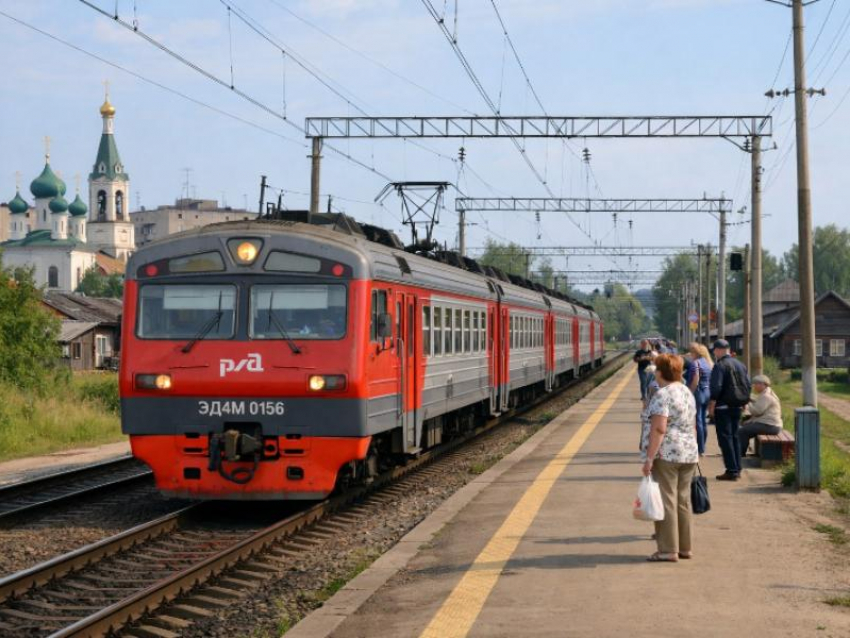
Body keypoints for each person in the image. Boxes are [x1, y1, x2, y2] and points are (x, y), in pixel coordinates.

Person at [640, 354, 699, 562]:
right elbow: (693, 424)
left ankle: (667, 550)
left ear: (661, 372)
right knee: (682, 501)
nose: (654, 373)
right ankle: (684, 548)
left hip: (667, 453)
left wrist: (649, 459)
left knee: (666, 501)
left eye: (656, 369)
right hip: (689, 452)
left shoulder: (662, 395)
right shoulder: (686, 392)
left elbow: (659, 429)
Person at [709, 339, 751, 481]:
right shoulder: (740, 365)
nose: (714, 352)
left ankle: (731, 470)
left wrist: (712, 404)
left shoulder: (720, 366)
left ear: (718, 350)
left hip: (723, 407)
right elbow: (747, 384)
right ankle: (737, 467)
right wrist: (745, 400)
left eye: (714, 350)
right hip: (737, 406)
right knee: (735, 437)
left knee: (725, 439)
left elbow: (716, 387)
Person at [738, 375, 783, 456]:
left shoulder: (766, 396)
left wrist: (748, 402)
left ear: (763, 384)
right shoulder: (766, 393)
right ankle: (742, 451)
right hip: (770, 424)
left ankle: (740, 453)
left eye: (756, 384)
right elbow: (758, 405)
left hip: (771, 426)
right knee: (745, 427)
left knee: (742, 431)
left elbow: (757, 411)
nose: (754, 386)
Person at [688, 343, 713, 456]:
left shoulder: (696, 363)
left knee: (698, 420)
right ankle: (703, 445)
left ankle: (700, 448)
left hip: (698, 393)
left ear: (694, 353)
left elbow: (695, 379)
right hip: (707, 392)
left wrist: (689, 392)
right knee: (703, 420)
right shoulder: (707, 363)